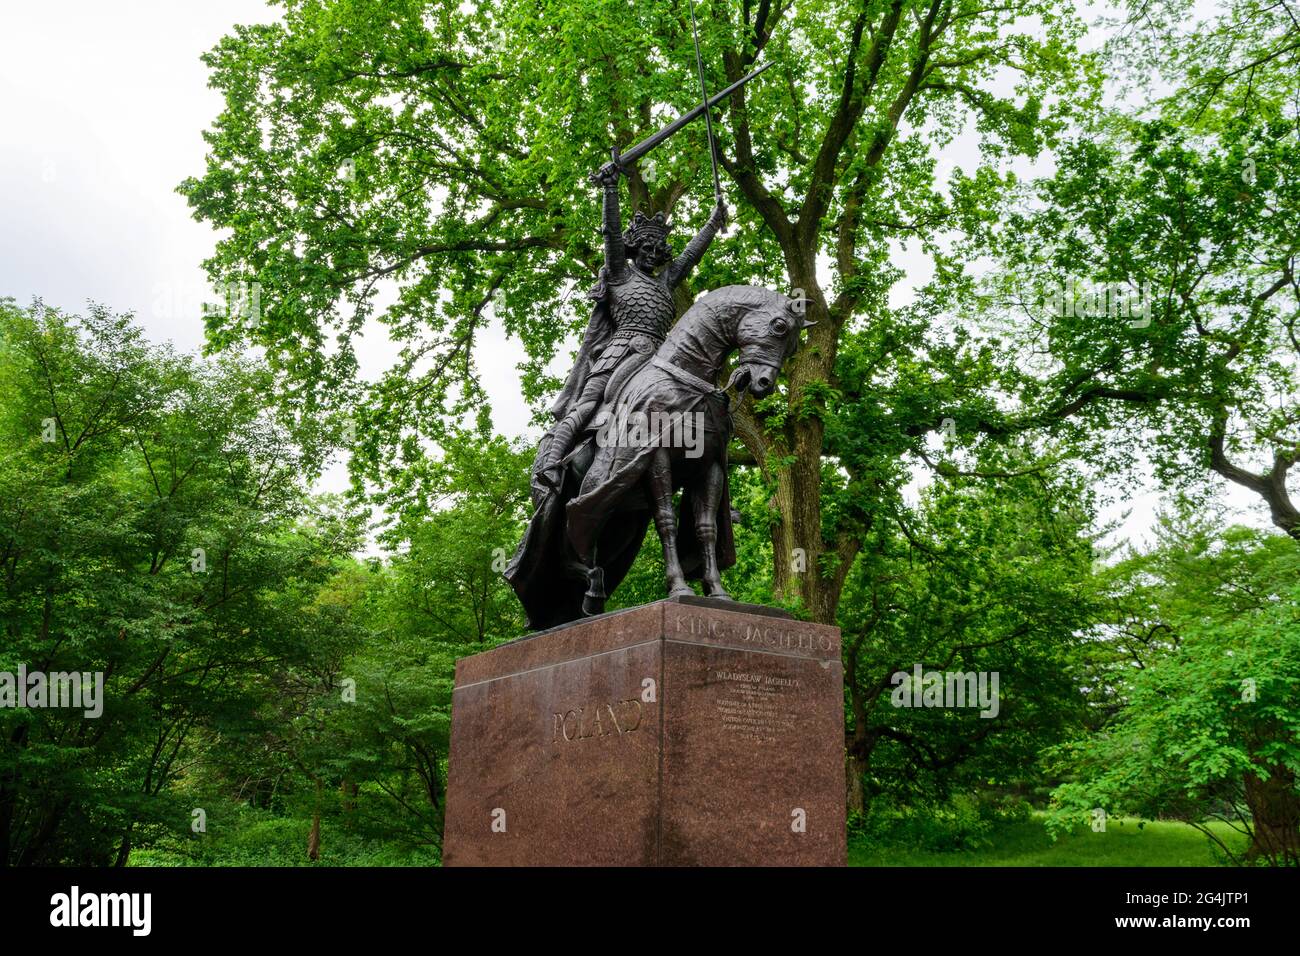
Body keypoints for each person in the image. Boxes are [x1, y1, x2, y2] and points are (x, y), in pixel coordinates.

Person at [531, 161, 727, 501]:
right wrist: (610, 189)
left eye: (657, 250)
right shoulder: (621, 274)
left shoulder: (665, 282)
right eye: (645, 249)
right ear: (634, 249)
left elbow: (691, 255)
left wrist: (714, 220)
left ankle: (700, 485)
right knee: (590, 402)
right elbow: (610, 233)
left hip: (661, 359)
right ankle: (551, 462)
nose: (652, 255)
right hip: (621, 351)